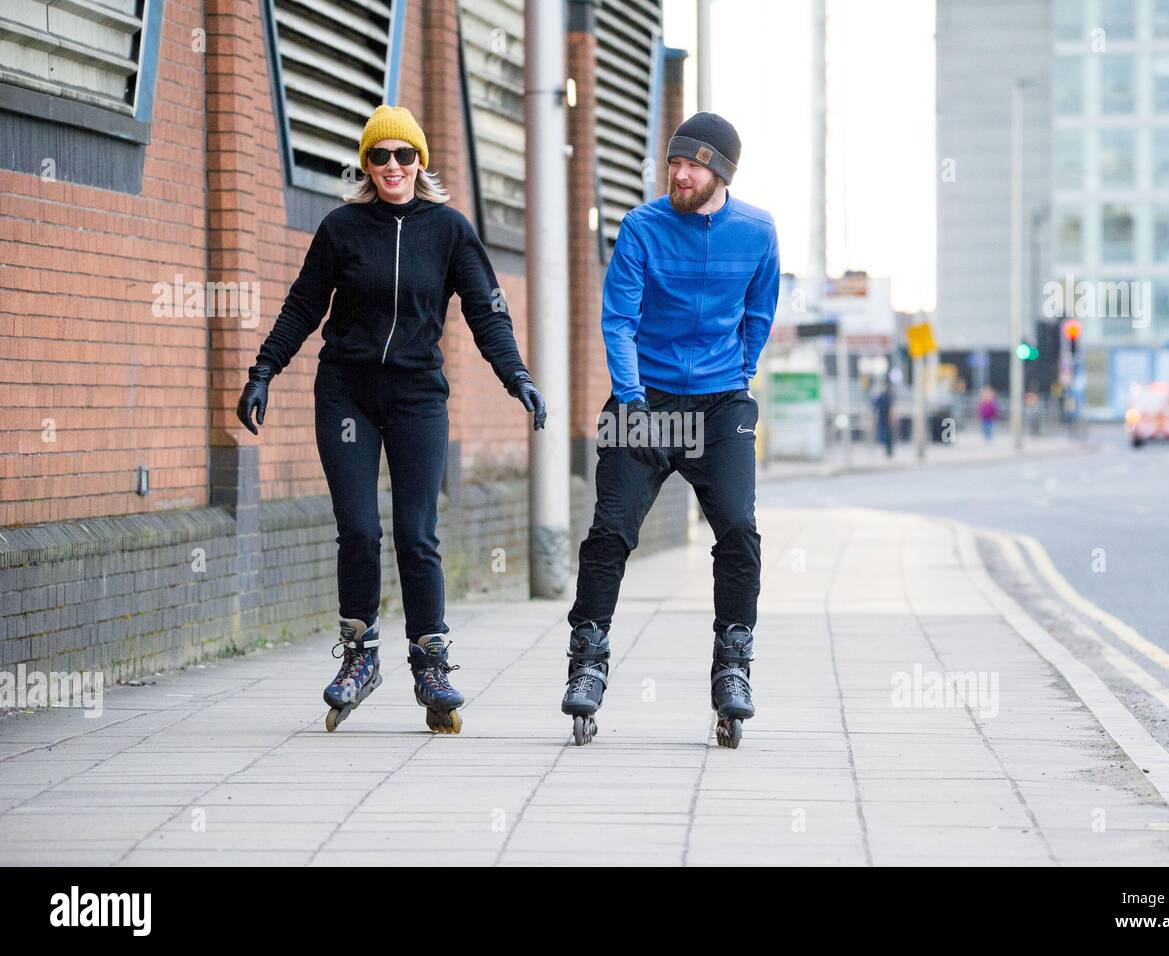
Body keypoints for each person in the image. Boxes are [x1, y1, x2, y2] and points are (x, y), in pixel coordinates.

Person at [236, 105, 545, 733]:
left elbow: (488, 315)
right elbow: (302, 308)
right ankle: (359, 656)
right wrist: (262, 372)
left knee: (415, 531)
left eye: (406, 155)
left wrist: (517, 377)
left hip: (416, 398)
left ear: (420, 162)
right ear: (367, 164)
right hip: (346, 391)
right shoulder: (341, 229)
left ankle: (431, 661)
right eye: (381, 156)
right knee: (358, 528)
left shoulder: (450, 231)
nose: (394, 167)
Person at [561, 112, 781, 749]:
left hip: (720, 405)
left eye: (693, 164)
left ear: (721, 172)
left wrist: (737, 377)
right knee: (610, 531)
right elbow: (619, 321)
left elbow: (759, 314)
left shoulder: (758, 232)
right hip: (645, 397)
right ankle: (587, 662)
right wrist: (632, 402)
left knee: (738, 529)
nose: (678, 173)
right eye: (674, 163)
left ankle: (733, 667)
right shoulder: (641, 228)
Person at [874, 381, 894, 457]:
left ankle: (889, 452)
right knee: (886, 434)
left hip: (885, 418)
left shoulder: (887, 397)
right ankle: (888, 451)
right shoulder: (884, 397)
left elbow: (875, 406)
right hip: (883, 418)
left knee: (887, 435)